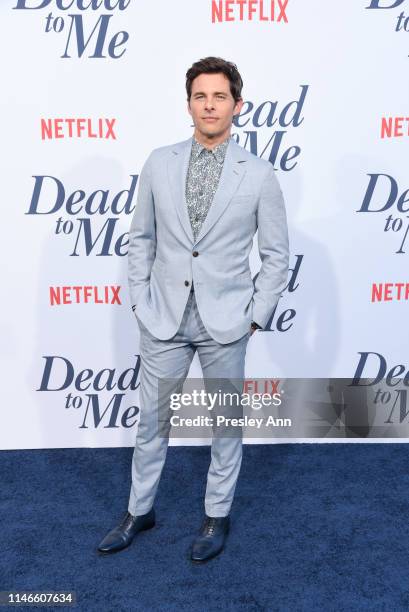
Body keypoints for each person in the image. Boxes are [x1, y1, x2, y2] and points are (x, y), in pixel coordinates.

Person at [97, 56, 290, 563]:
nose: (209, 104)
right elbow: (141, 237)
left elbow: (276, 256)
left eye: (219, 96)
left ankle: (216, 516)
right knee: (151, 422)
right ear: (189, 104)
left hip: (226, 321)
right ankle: (139, 511)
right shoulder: (159, 162)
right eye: (201, 96)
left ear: (237, 105)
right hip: (162, 316)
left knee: (225, 423)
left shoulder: (260, 174)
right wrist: (139, 298)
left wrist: (255, 314)